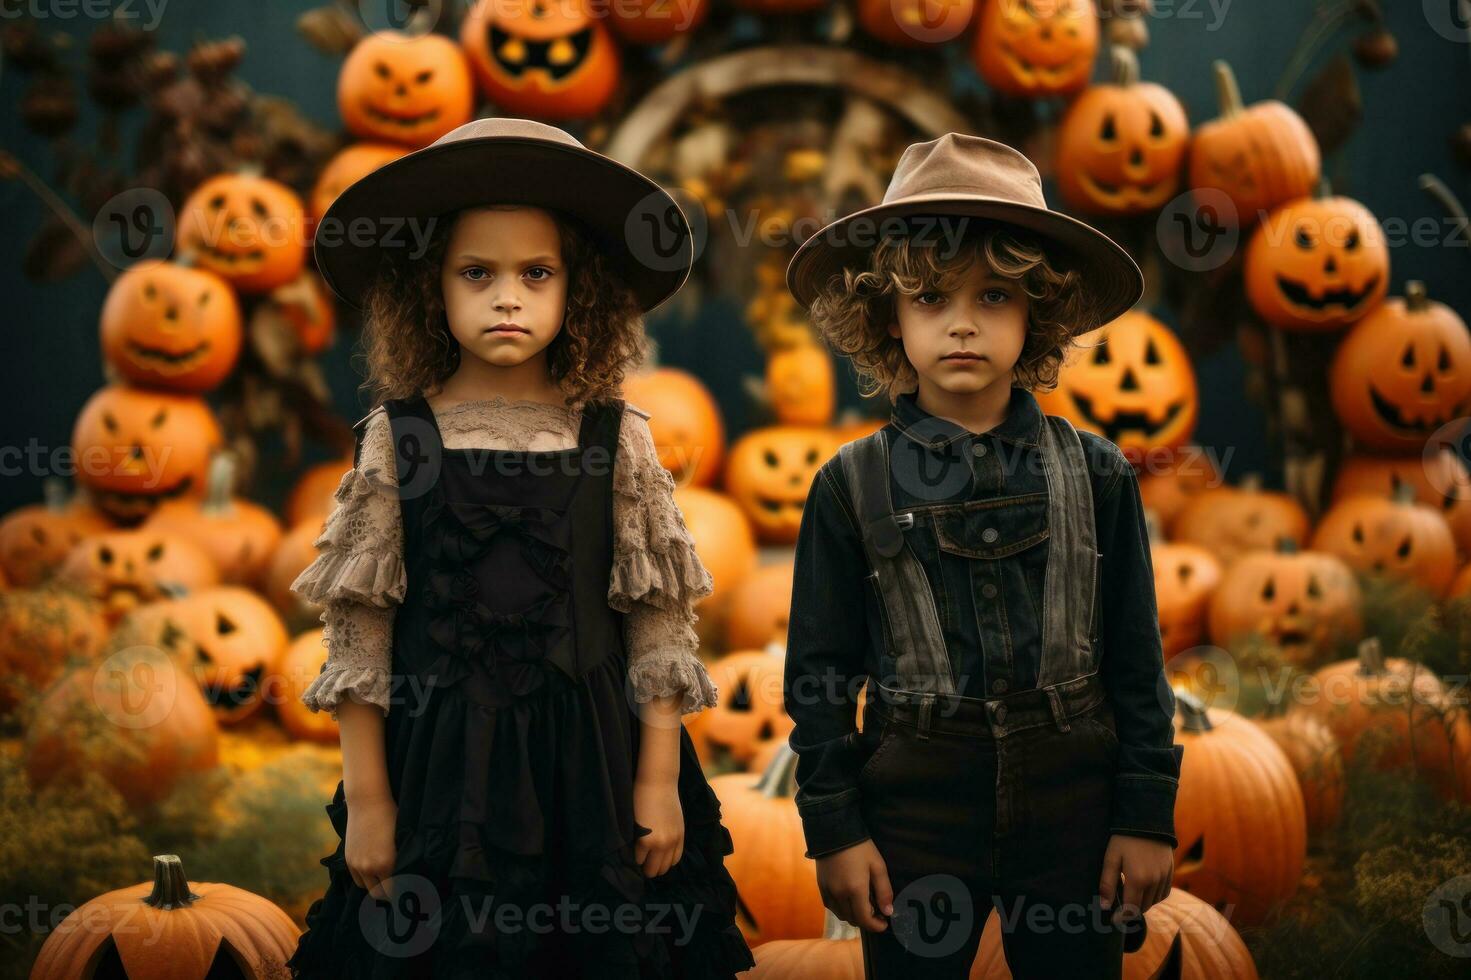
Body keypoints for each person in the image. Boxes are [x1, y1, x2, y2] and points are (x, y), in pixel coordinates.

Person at [285, 117, 754, 979]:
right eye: (478, 273)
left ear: (579, 290)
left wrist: (656, 777)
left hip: (598, 772)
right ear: (433, 288)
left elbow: (656, 622)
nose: (508, 296)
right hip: (438, 772)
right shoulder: (400, 438)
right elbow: (359, 637)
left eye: (536, 273)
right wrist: (369, 798)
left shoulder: (618, 439)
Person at [782, 133, 1184, 979]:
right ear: (888, 315)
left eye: (993, 297)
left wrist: (1144, 812)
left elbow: (1138, 661)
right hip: (915, 807)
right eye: (930, 297)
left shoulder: (1097, 473)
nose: (961, 322)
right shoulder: (847, 486)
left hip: (1072, 802)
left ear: (1036, 312)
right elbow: (818, 677)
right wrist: (837, 829)